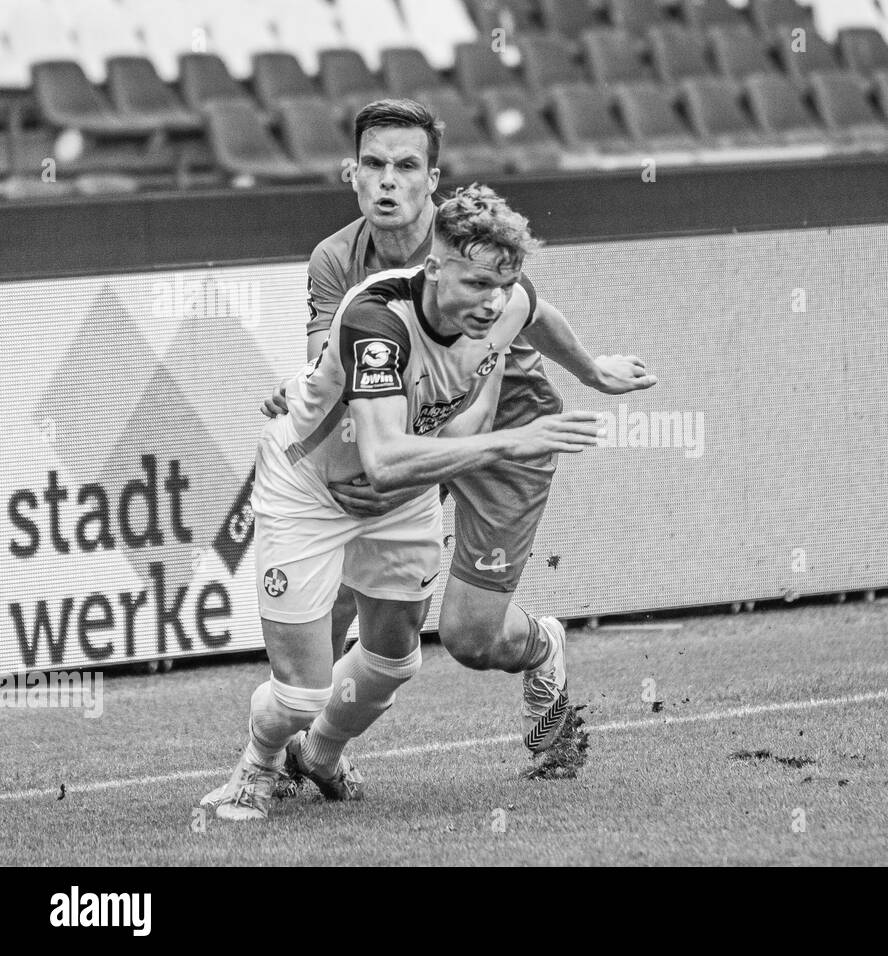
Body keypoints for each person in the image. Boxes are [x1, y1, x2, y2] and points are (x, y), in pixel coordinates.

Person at [202, 184, 605, 821]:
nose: (492, 301)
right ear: (435, 267)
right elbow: (384, 459)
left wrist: (594, 371)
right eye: (476, 284)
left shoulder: (502, 301)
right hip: (309, 489)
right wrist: (511, 441)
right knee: (303, 692)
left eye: (502, 284)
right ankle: (256, 766)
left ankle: (324, 756)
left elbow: (535, 312)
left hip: (400, 498)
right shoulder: (378, 319)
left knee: (394, 659)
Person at [266, 100, 656, 760]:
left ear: (432, 179)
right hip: (409, 425)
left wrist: (592, 373)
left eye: (407, 165)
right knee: (334, 593)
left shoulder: (465, 246)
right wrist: (304, 393)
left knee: (472, 640)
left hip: (507, 433)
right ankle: (309, 752)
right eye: (374, 163)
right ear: (352, 173)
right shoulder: (334, 259)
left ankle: (543, 645)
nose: (389, 180)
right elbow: (325, 365)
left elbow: (532, 309)